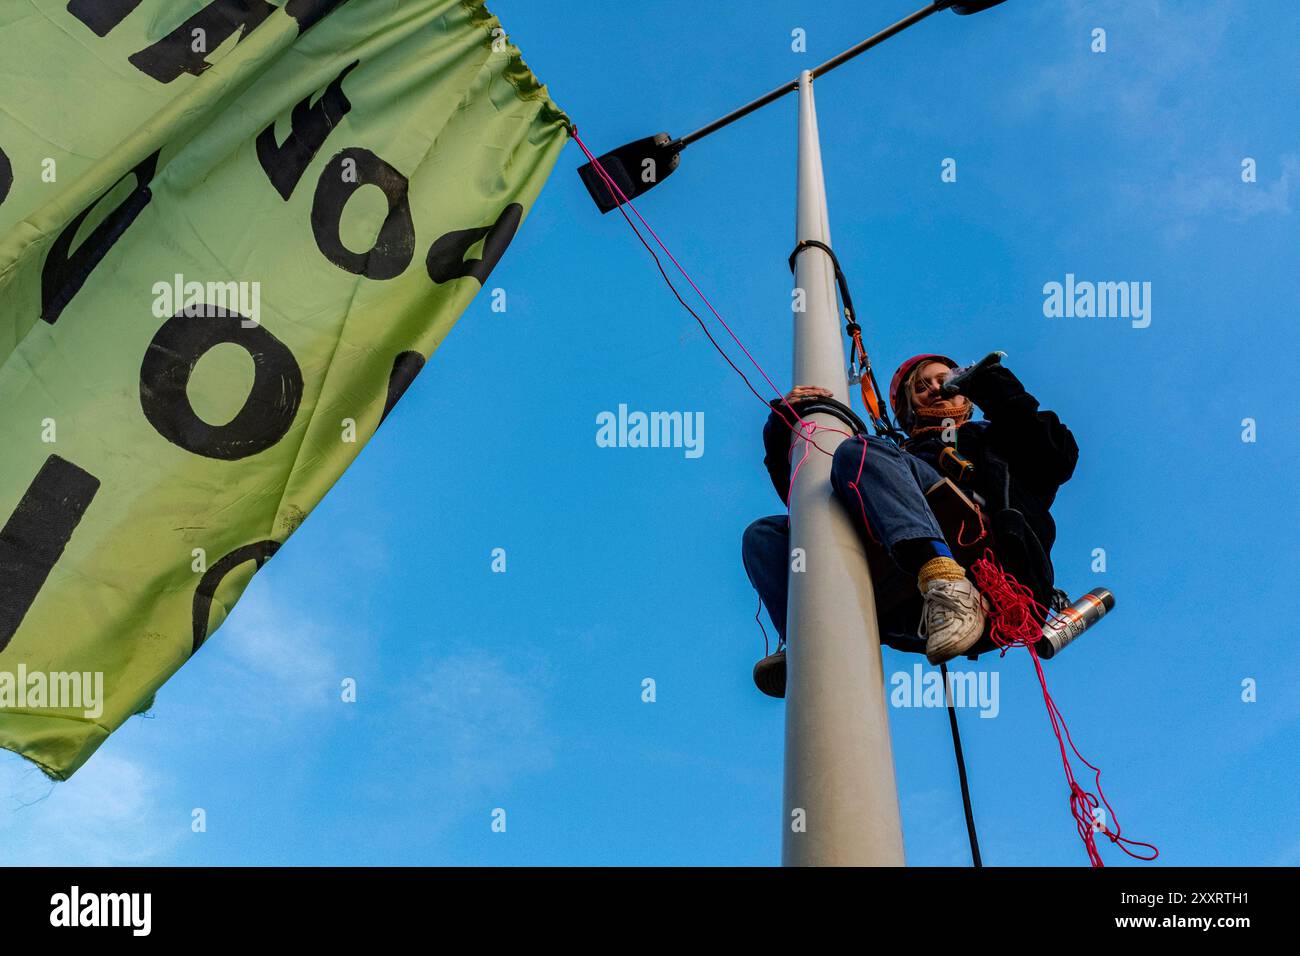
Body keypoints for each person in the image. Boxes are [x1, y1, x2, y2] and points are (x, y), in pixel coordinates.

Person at [741, 354, 1078, 668]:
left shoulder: (997, 438)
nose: (936, 389)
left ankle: (946, 583)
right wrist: (784, 428)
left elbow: (1056, 456)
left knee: (860, 452)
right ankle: (805, 644)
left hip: (994, 570)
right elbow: (811, 505)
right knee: (765, 535)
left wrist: (991, 383)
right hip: (907, 609)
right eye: (922, 386)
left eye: (946, 381)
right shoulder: (887, 460)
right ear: (906, 408)